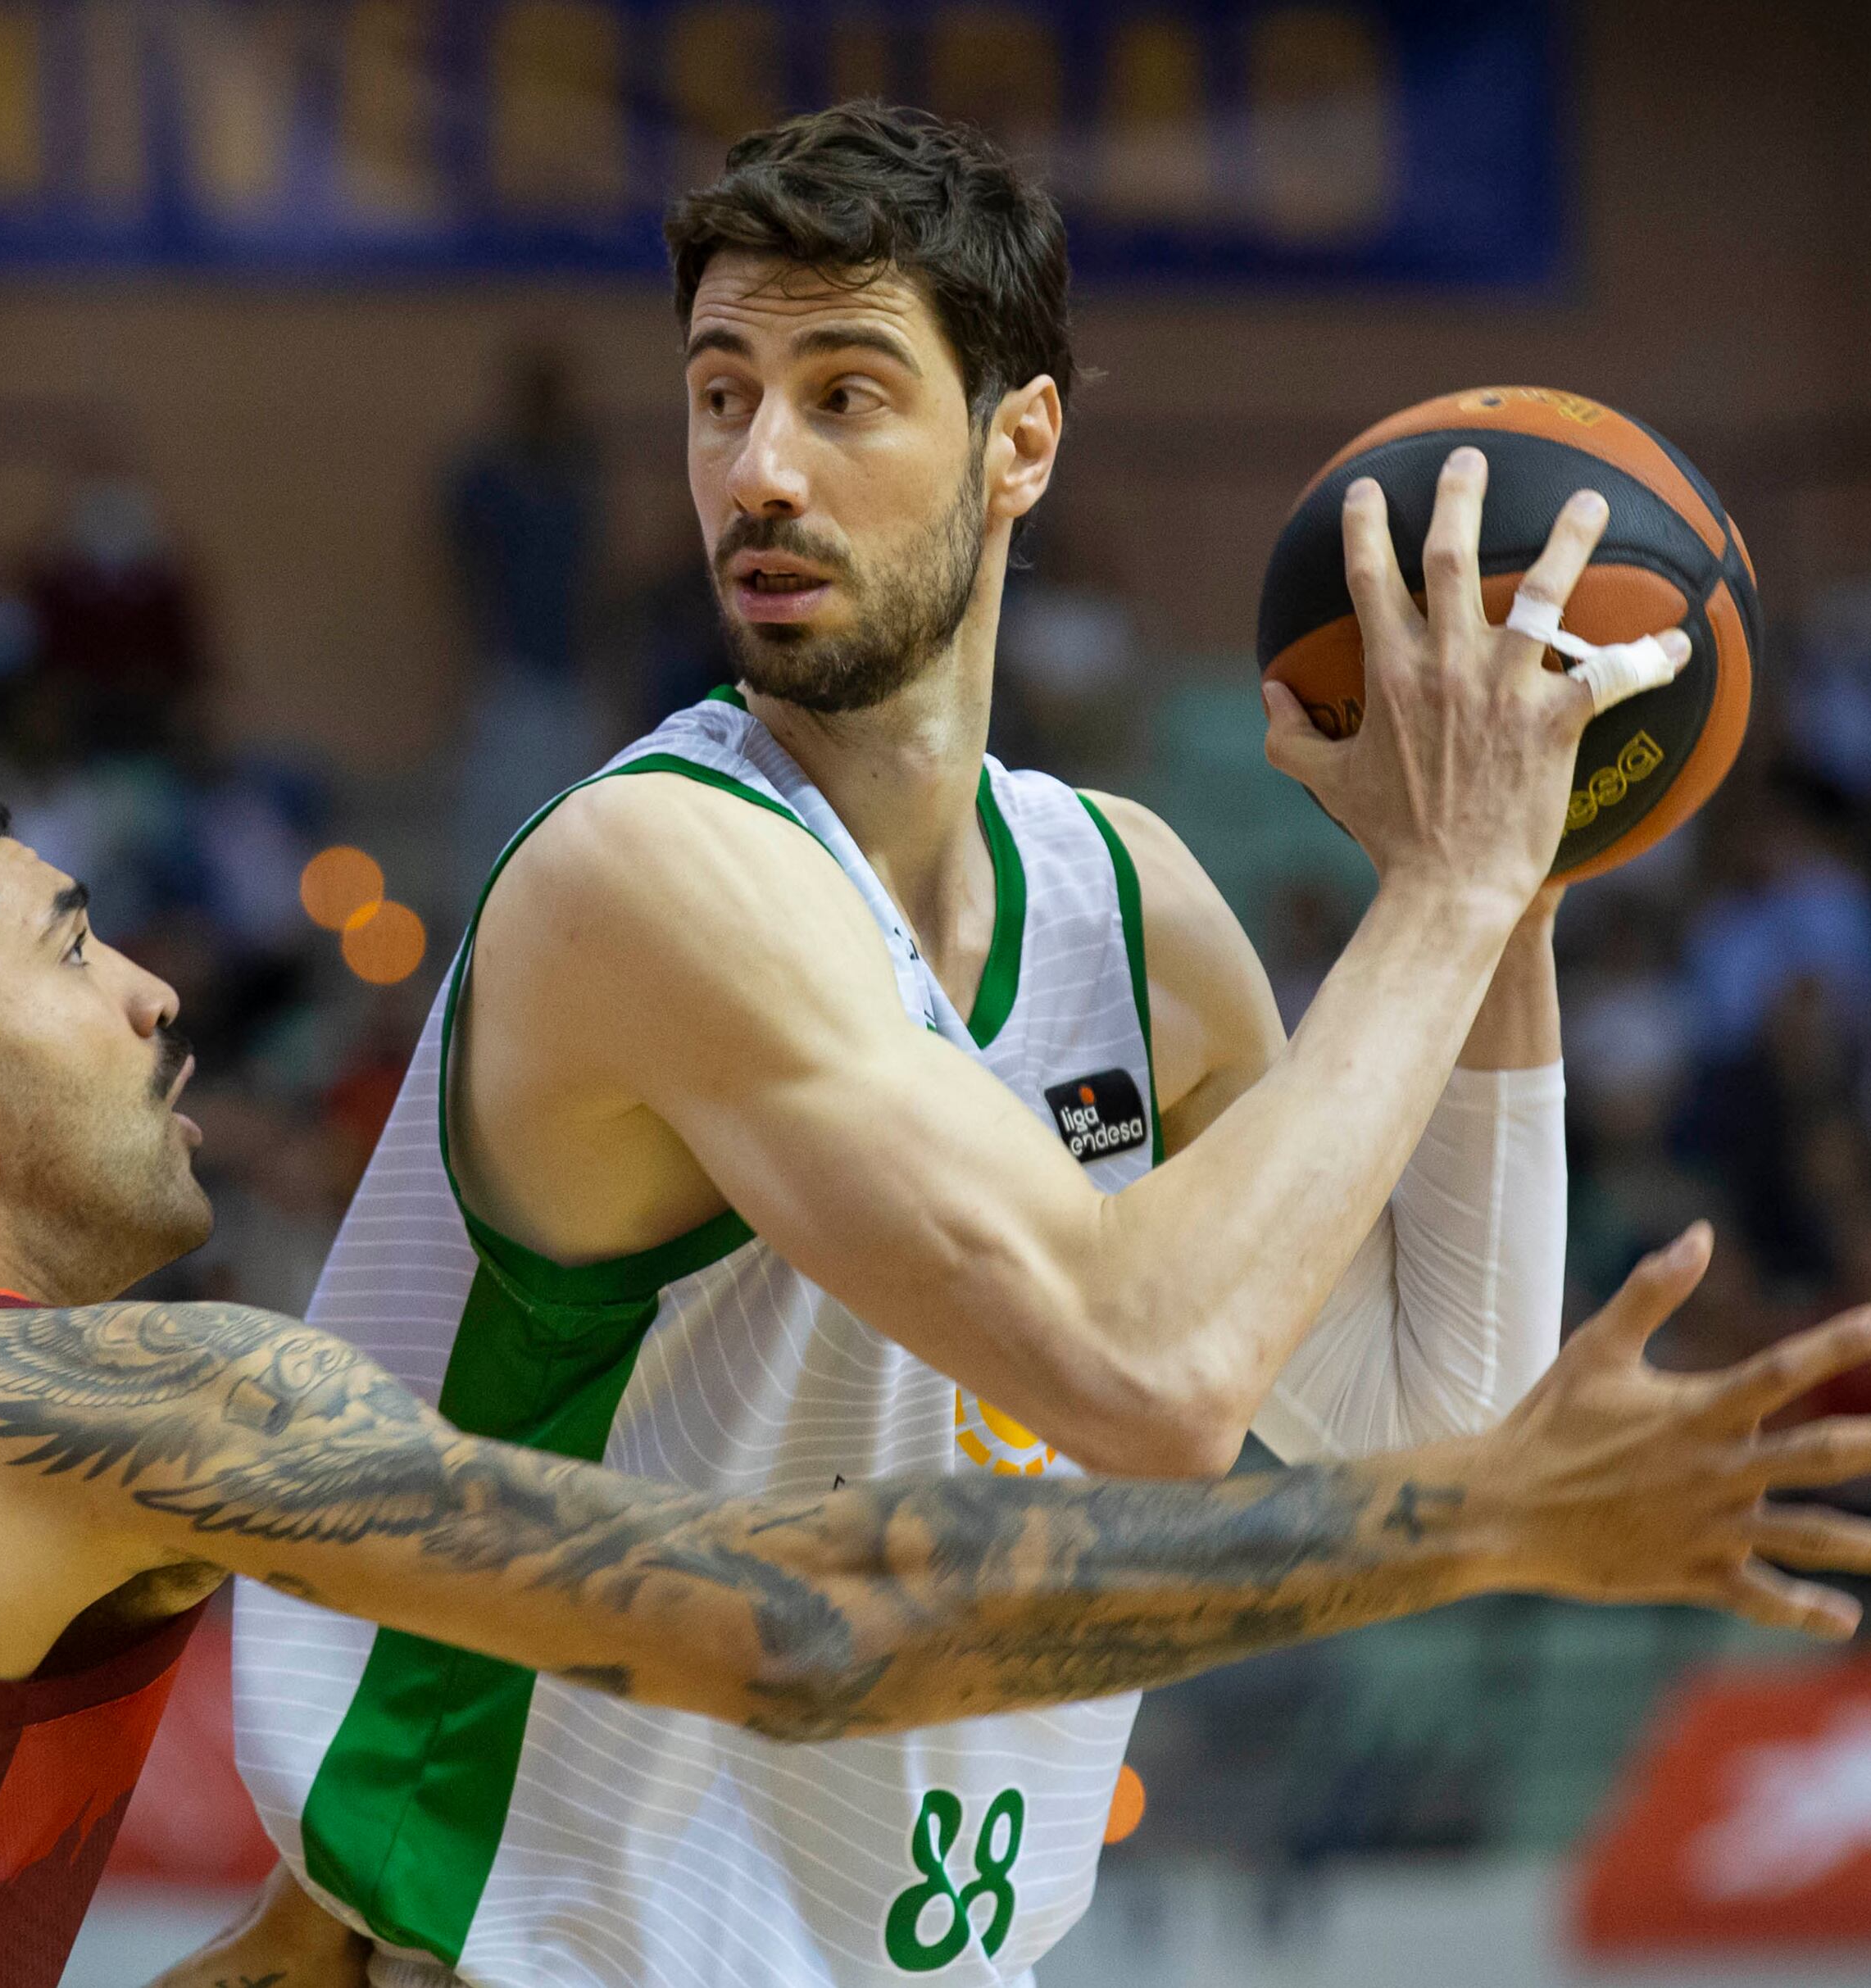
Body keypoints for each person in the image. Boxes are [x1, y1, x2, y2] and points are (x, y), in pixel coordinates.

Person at [0, 778, 1871, 1988]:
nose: (149, 986)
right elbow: (792, 1623)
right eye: (73, 943)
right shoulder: (68, 1404)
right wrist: (1468, 1526)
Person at [213, 104, 1687, 1988]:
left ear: (1019, 444)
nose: (756, 470)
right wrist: (1444, 888)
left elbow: (1434, 1436)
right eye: (718, 392)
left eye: (844, 396)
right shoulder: (647, 869)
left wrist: (1514, 890)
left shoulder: (1123, 904)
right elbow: (1147, 1373)